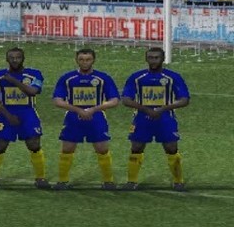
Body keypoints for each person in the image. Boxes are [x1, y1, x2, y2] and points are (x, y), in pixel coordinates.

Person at [121, 46, 191, 191]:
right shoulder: (137, 77)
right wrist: (146, 109)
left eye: (156, 58)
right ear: (146, 59)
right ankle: (131, 181)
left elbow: (184, 100)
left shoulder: (173, 77)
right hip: (142, 117)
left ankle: (178, 181)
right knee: (136, 147)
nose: (153, 61)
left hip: (165, 118)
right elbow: (126, 99)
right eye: (150, 58)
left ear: (163, 59)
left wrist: (163, 108)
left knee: (171, 148)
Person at [51, 47, 121, 189]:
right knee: (67, 149)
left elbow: (114, 100)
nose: (84, 62)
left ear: (93, 60)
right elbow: (57, 100)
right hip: (73, 117)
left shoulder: (103, 78)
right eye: (81, 59)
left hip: (96, 117)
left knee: (102, 149)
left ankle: (108, 181)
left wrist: (94, 109)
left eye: (88, 59)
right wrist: (78, 110)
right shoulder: (67, 78)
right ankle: (62, 181)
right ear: (76, 60)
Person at [0, 47, 50, 188]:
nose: (15, 60)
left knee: (34, 144)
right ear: (7, 59)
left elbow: (33, 92)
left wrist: (14, 81)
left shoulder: (35, 74)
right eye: (11, 58)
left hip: (28, 113)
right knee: (0, 145)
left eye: (18, 57)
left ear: (23, 58)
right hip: (6, 113)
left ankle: (40, 178)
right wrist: (8, 116)